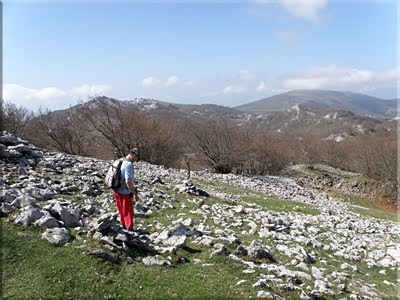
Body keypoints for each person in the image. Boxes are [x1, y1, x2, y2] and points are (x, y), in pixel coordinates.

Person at [113, 148, 140, 231]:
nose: (136, 159)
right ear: (133, 154)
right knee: (128, 211)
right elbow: (128, 181)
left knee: (121, 210)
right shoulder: (129, 165)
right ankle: (130, 228)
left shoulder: (121, 161)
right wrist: (135, 194)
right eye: (137, 157)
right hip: (125, 192)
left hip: (117, 190)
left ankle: (123, 225)